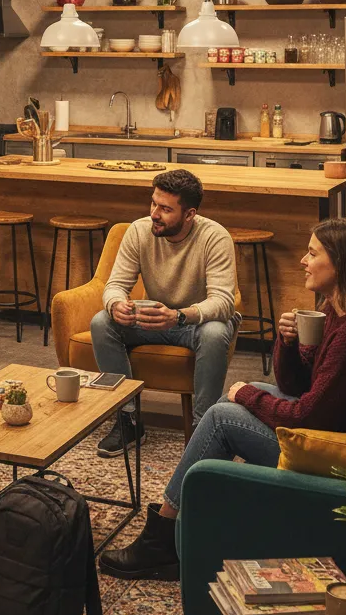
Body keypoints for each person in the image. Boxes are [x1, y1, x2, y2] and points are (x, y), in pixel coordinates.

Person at [99, 217, 346, 581]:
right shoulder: (337, 312)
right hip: (337, 431)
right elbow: (295, 387)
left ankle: (161, 541)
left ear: (340, 263)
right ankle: (184, 521)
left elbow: (304, 416)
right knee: (232, 403)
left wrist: (245, 394)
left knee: (222, 415)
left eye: (312, 253)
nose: (303, 261)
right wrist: (288, 342)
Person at [90, 169, 238, 457]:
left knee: (216, 331)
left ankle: (202, 430)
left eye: (166, 209)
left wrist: (180, 316)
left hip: (193, 321)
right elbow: (115, 285)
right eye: (153, 204)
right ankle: (128, 419)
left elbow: (223, 302)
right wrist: (116, 304)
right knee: (101, 322)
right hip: (155, 318)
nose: (155, 214)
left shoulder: (215, 237)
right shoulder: (139, 230)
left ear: (189, 214)